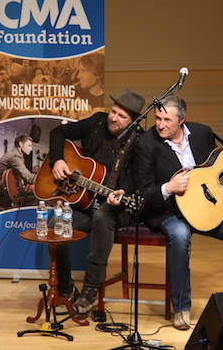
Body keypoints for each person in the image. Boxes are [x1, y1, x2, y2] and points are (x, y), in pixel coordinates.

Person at [137, 94, 223, 330]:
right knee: (180, 236)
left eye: (167, 120)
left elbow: (218, 171)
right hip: (168, 210)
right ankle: (181, 308)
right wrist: (168, 188)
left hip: (205, 206)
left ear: (182, 120)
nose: (160, 124)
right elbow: (141, 190)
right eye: (157, 118)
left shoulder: (202, 133)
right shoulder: (146, 143)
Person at [48, 88, 146, 316]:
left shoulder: (140, 141)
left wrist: (123, 190)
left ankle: (90, 291)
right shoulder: (97, 122)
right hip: (85, 201)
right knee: (54, 226)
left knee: (102, 217)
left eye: (122, 116)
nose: (113, 118)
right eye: (113, 112)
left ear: (133, 121)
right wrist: (58, 160)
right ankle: (66, 288)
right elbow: (58, 132)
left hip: (117, 205)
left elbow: (137, 177)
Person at [0, 134, 37, 209]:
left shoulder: (15, 154)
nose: (31, 149)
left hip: (5, 190)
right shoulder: (15, 156)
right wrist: (43, 180)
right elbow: (28, 177)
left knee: (34, 196)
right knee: (37, 197)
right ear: (20, 144)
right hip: (0, 193)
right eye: (29, 145)